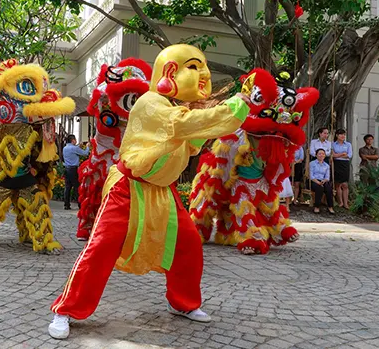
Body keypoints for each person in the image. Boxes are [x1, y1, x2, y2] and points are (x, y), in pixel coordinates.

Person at [48, 44, 250, 340]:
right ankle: (65, 309)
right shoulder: (151, 103)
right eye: (194, 67)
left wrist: (224, 109)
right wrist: (237, 104)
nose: (202, 74)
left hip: (162, 192)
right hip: (127, 187)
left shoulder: (175, 108)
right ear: (170, 72)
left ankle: (184, 303)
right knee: (100, 248)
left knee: (189, 244)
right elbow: (184, 126)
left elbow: (195, 135)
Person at [62, 135, 89, 210]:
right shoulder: (74, 148)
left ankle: (66, 205)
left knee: (67, 187)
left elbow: (74, 151)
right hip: (73, 170)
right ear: (73, 140)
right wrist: (87, 146)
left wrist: (78, 146)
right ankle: (80, 204)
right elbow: (85, 153)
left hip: (67, 169)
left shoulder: (65, 148)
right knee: (77, 187)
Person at [332, 129, 352, 209]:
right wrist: (342, 154)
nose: (343, 136)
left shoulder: (348, 144)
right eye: (341, 134)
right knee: (338, 184)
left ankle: (345, 203)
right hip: (337, 164)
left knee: (345, 184)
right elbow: (333, 155)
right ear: (337, 135)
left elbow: (349, 155)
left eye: (344, 134)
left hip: (345, 164)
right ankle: (340, 202)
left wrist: (338, 155)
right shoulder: (333, 144)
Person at [309, 149, 333, 214]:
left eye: (323, 154)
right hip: (314, 181)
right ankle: (317, 207)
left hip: (323, 181)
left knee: (329, 188)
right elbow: (311, 176)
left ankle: (330, 207)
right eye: (319, 154)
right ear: (316, 155)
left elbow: (327, 177)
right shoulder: (312, 163)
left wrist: (323, 181)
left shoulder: (326, 165)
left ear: (325, 155)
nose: (321, 155)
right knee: (319, 188)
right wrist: (318, 182)